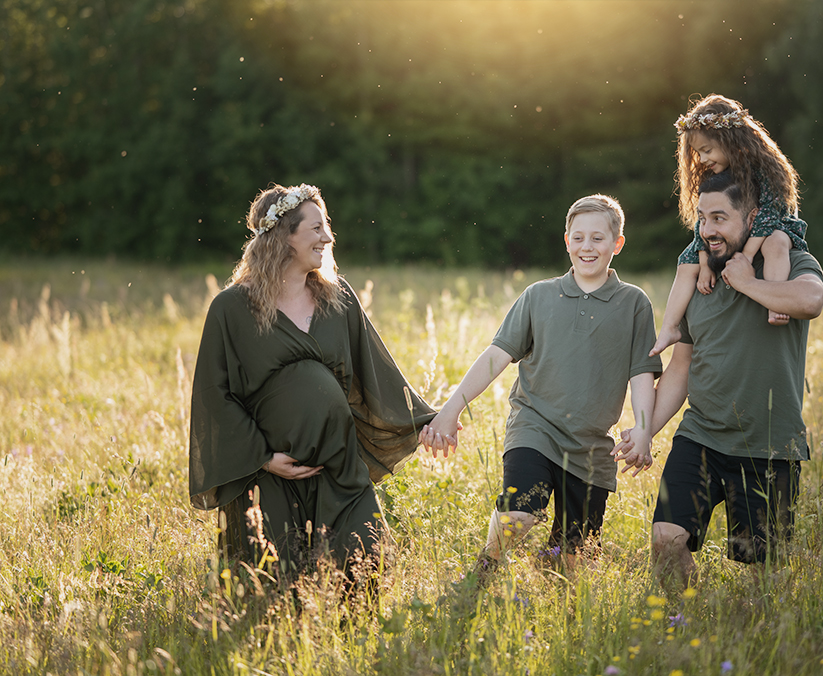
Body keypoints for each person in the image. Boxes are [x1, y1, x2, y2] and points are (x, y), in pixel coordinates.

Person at [188, 183, 435, 580]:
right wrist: (264, 458)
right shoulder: (232, 308)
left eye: (327, 226)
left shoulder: (338, 299)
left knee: (366, 563)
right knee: (276, 584)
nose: (328, 237)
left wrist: (428, 421)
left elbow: (378, 370)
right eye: (316, 228)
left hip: (338, 466)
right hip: (267, 474)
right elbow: (214, 395)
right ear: (284, 236)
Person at [420, 194, 663, 576]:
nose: (587, 247)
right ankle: (489, 563)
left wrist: (645, 431)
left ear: (617, 244)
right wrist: (449, 413)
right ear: (566, 240)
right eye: (578, 237)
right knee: (518, 516)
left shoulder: (634, 303)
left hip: (591, 446)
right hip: (535, 428)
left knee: (570, 561)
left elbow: (641, 375)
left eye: (598, 239)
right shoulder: (539, 295)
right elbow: (495, 358)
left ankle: (548, 576)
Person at [617, 170, 823, 592]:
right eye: (702, 218)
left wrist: (749, 282)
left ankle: (738, 636)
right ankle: (681, 621)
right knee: (666, 540)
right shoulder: (698, 278)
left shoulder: (786, 264)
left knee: (763, 578)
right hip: (703, 436)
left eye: (719, 218)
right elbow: (680, 369)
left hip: (770, 445)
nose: (708, 230)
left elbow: (811, 300)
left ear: (751, 217)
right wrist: (645, 431)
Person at [649, 94, 809, 357]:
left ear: (731, 142)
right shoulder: (714, 173)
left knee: (776, 242)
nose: (701, 159)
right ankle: (670, 327)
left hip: (775, 226)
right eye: (697, 153)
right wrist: (703, 264)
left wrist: (745, 258)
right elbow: (704, 220)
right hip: (737, 231)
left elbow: (769, 215)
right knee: (685, 263)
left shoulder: (765, 168)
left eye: (707, 150)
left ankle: (776, 301)